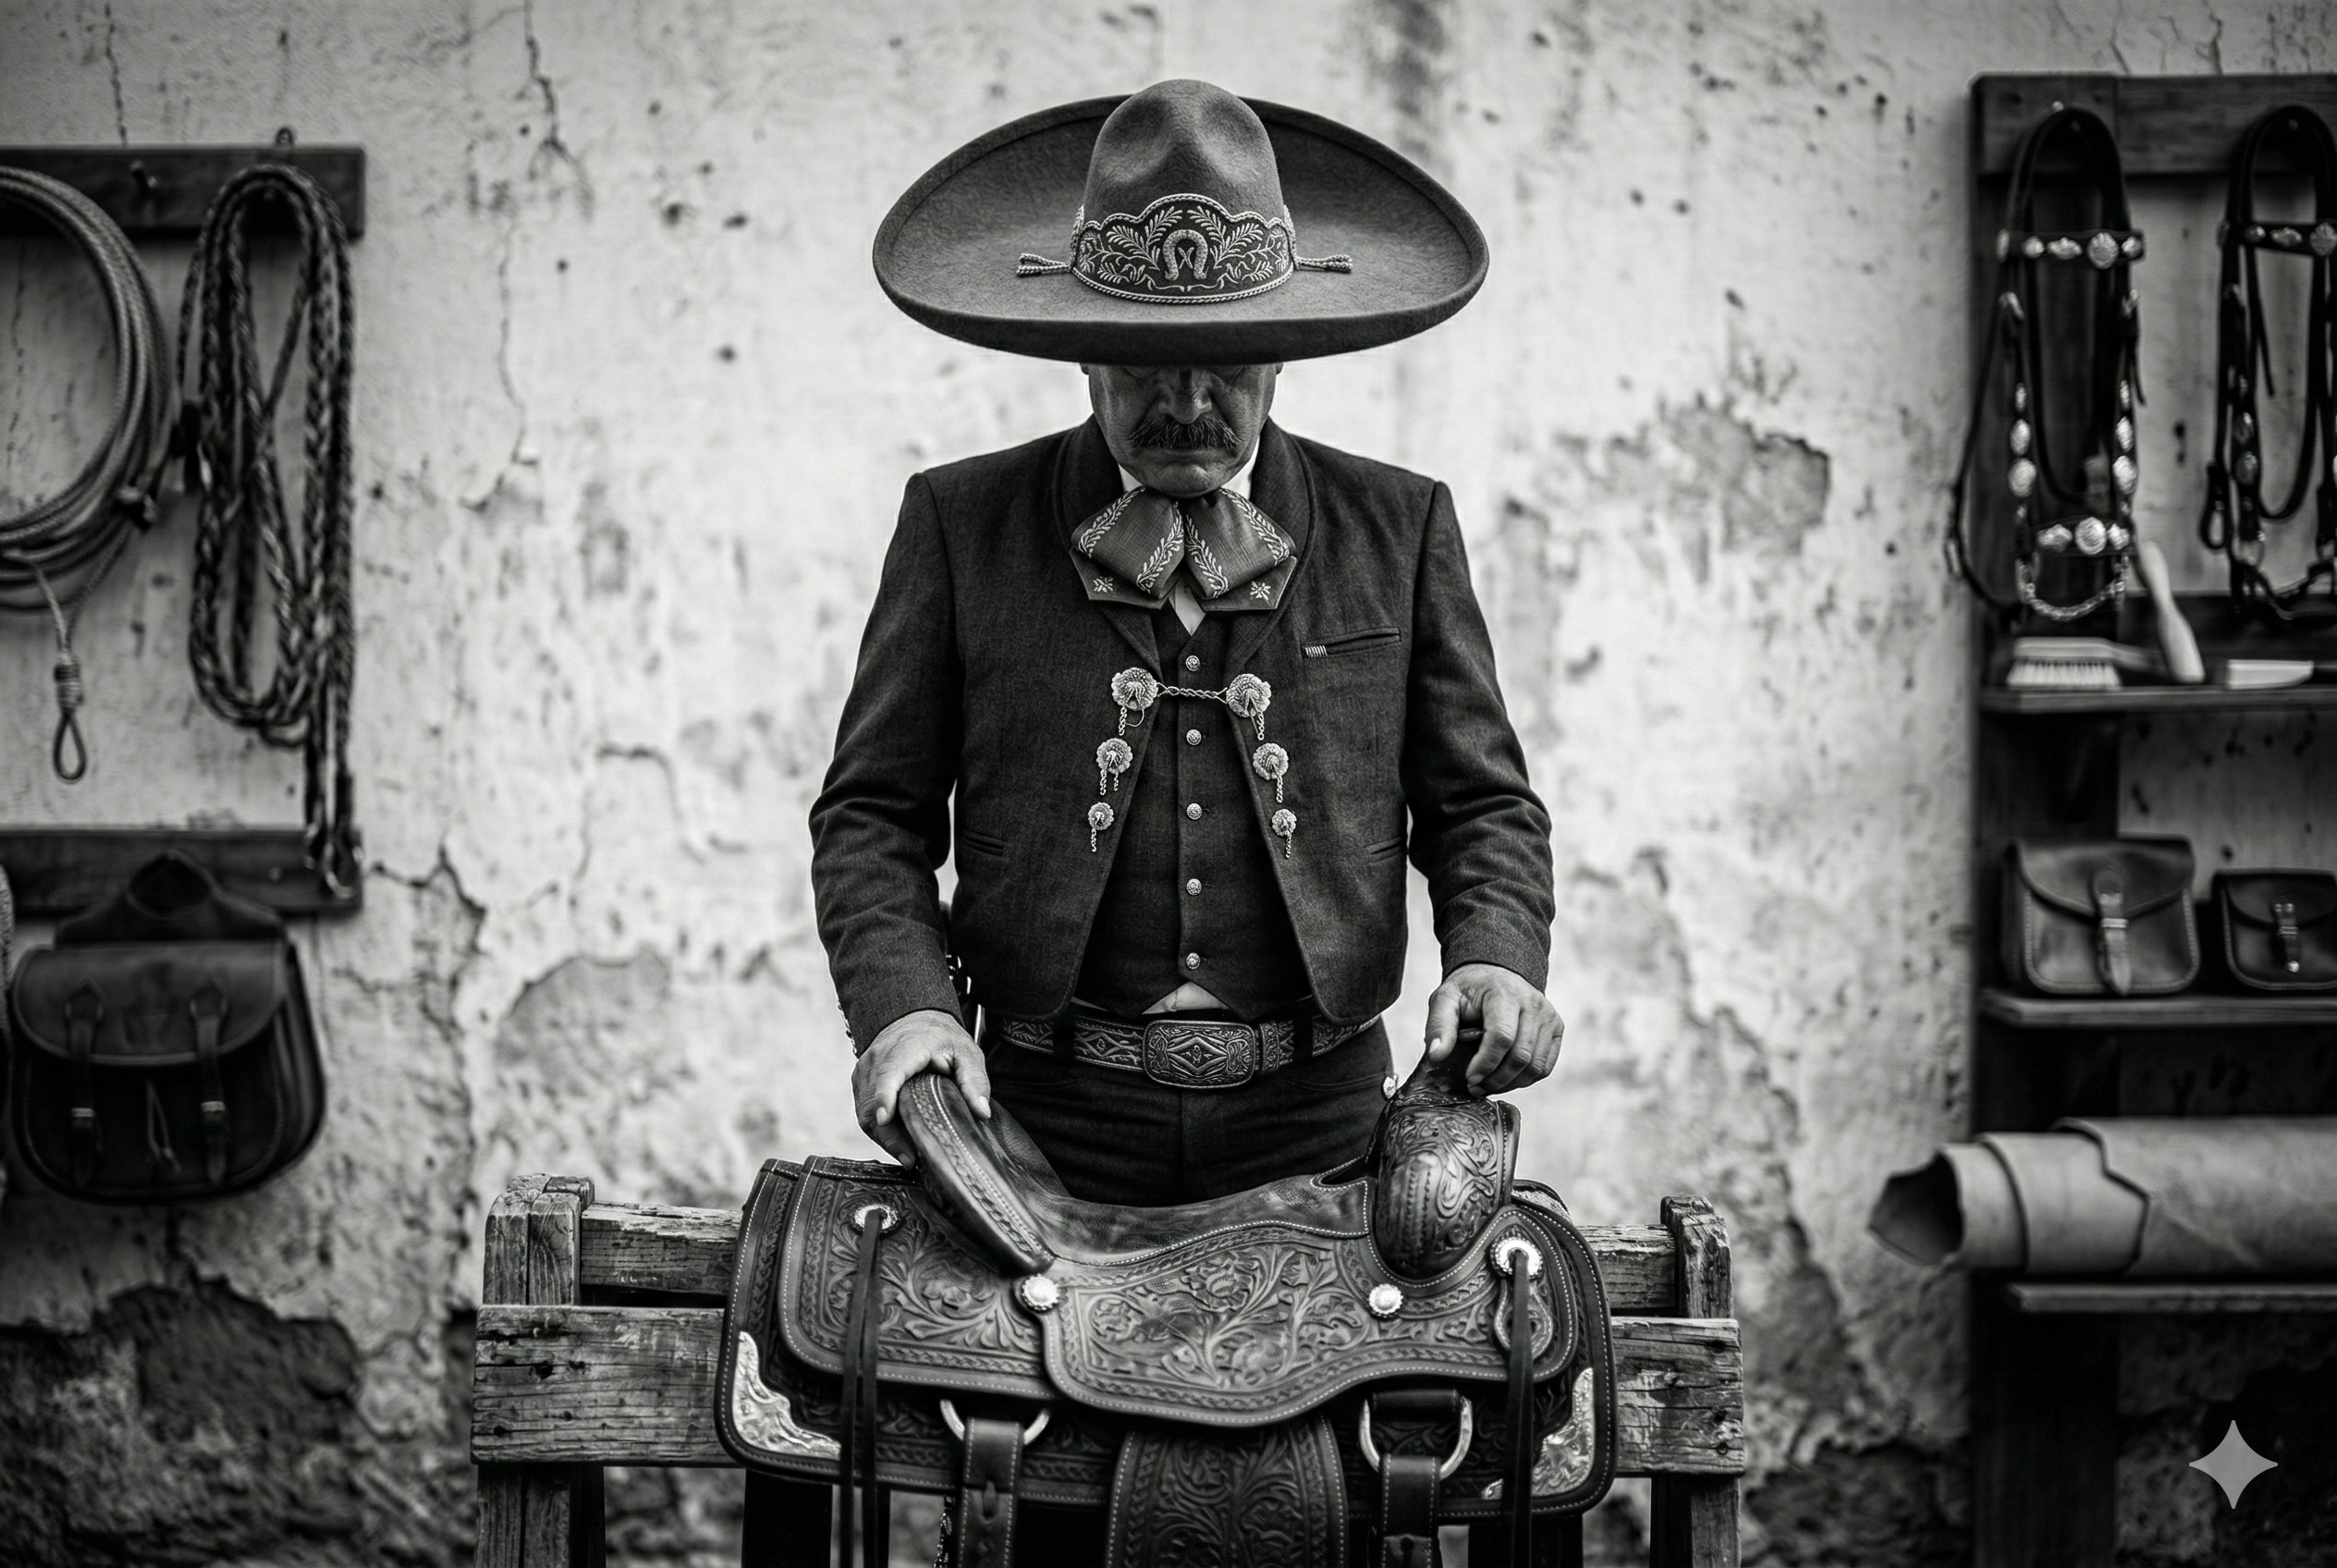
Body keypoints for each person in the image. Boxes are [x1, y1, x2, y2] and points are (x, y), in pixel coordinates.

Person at [811, 79, 1560, 1208]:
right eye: (1144, 362)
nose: (1189, 400)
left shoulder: (1398, 527)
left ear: (1284, 353)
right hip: (1038, 1116)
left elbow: (1481, 803)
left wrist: (1494, 955)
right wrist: (907, 1008)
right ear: (1079, 353)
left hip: (1321, 1113)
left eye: (1227, 359)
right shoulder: (961, 525)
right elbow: (872, 813)